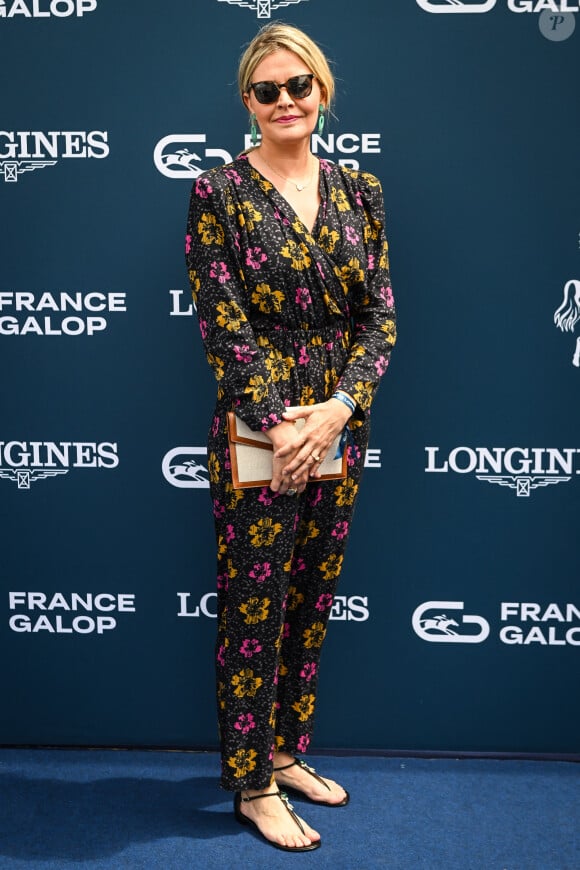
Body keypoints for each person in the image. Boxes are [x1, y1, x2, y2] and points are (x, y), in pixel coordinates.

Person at [185, 21, 396, 853]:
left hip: (340, 424)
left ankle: (286, 749)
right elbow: (224, 324)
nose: (285, 101)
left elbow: (380, 318)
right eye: (267, 91)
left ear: (321, 92)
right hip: (257, 429)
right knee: (254, 604)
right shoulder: (219, 195)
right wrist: (281, 425)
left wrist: (339, 408)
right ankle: (250, 783)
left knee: (311, 598)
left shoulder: (362, 192)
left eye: (297, 86)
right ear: (248, 102)